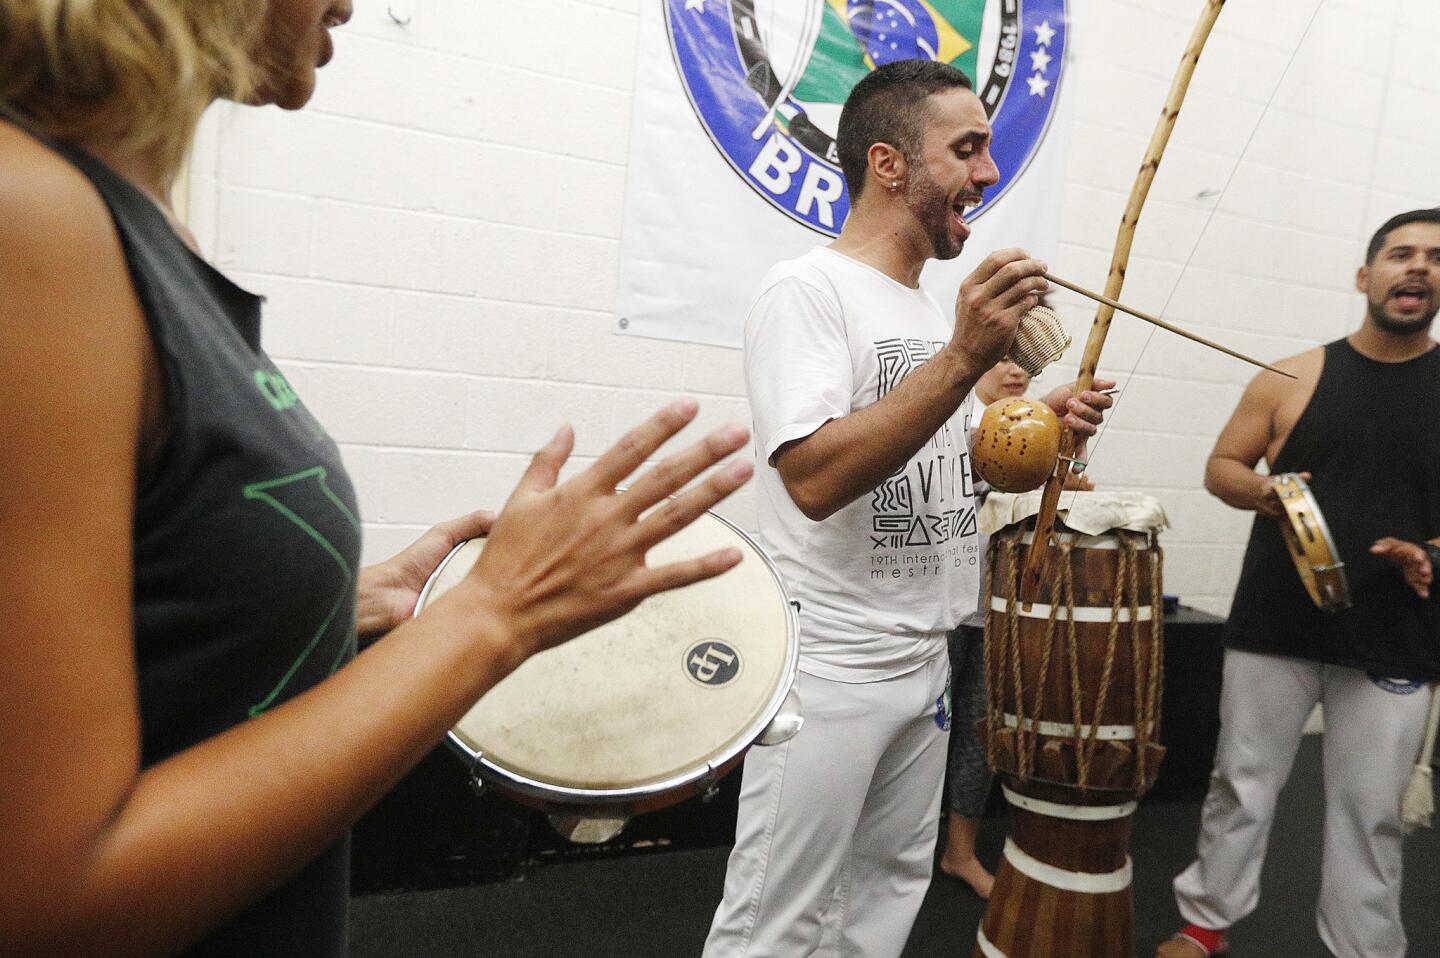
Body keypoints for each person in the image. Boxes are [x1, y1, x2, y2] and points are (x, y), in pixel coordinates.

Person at [0, 3, 755, 956]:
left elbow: (138, 614)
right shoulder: (31, 215)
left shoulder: (133, 228)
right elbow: (46, 900)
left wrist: (324, 608)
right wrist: (495, 613)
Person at [701, 59, 1114, 957]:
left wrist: (1031, 433)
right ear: (889, 164)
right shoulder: (805, 291)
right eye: (966, 149)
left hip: (927, 653)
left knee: (882, 900)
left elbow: (947, 468)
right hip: (831, 660)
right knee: (778, 916)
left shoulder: (930, 313)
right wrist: (966, 360)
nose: (990, 172)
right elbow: (812, 479)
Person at [1159, 208, 1440, 958]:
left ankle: (1365, 948)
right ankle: (1205, 923)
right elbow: (1223, 466)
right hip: (1275, 623)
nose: (1417, 267)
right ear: (1366, 275)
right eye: (1401, 253)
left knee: (1370, 811)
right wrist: (1266, 492)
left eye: (1435, 258)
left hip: (1395, 632)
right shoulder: (1293, 374)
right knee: (1241, 784)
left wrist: (1429, 556)